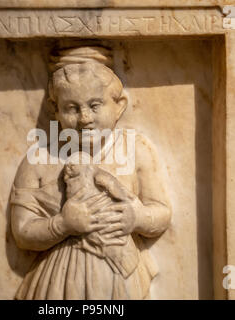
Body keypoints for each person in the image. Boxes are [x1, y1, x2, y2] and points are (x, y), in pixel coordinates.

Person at [10, 46, 172, 300]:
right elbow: (22, 231)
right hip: (59, 282)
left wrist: (137, 217)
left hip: (120, 277)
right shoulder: (38, 159)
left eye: (95, 106)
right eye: (72, 108)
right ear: (55, 110)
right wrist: (61, 225)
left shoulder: (137, 151)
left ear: (119, 106)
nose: (84, 118)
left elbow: (161, 210)